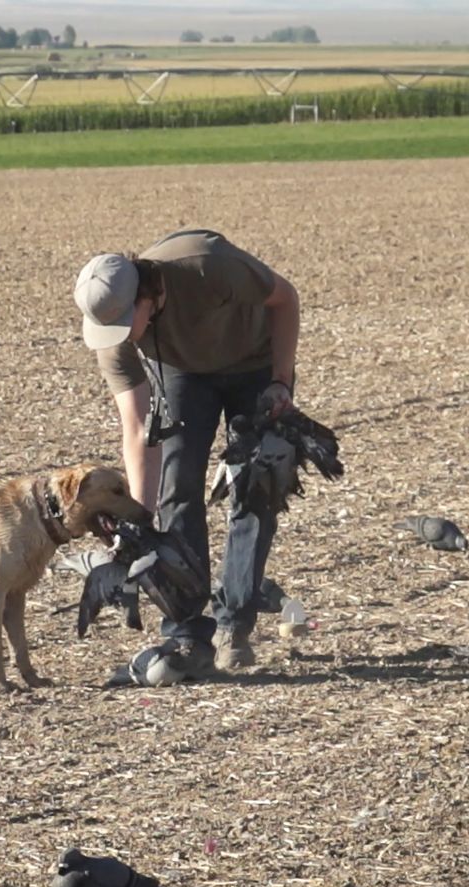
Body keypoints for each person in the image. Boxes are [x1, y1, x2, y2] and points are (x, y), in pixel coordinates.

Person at [73, 229, 299, 670]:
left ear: (145, 297)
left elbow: (285, 298)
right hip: (180, 374)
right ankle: (187, 634)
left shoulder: (205, 263)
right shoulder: (115, 338)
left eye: (123, 324)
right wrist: (137, 519)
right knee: (178, 490)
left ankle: (235, 619)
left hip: (254, 363)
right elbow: (138, 428)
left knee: (256, 486)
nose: (117, 336)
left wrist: (281, 381)